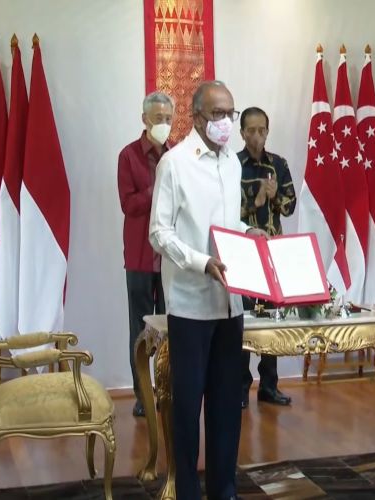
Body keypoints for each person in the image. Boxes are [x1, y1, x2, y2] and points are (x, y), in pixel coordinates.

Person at [149, 80, 267, 500]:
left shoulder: (231, 164)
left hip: (229, 304)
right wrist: (202, 263)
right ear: (196, 117)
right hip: (191, 305)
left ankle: (224, 489)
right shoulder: (174, 165)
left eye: (230, 115)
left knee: (226, 405)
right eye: (218, 115)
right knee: (186, 409)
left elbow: (227, 223)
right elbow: (159, 233)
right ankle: (187, 491)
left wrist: (249, 231)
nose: (226, 123)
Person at [118, 91, 174, 417]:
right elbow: (129, 204)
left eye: (168, 118)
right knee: (139, 333)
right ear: (144, 120)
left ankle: (168, 391)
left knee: (169, 329)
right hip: (139, 258)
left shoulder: (177, 154)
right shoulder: (128, 156)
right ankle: (143, 397)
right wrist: (156, 189)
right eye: (157, 118)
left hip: (169, 260)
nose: (163, 124)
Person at [238, 107, 296, 409]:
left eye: (262, 130)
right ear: (242, 133)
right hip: (245, 253)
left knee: (273, 317)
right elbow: (227, 212)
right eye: (251, 130)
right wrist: (256, 201)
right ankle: (241, 386)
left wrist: (274, 197)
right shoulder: (233, 165)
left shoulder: (279, 165)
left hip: (274, 251)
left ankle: (269, 385)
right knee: (246, 319)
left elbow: (290, 206)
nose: (257, 136)